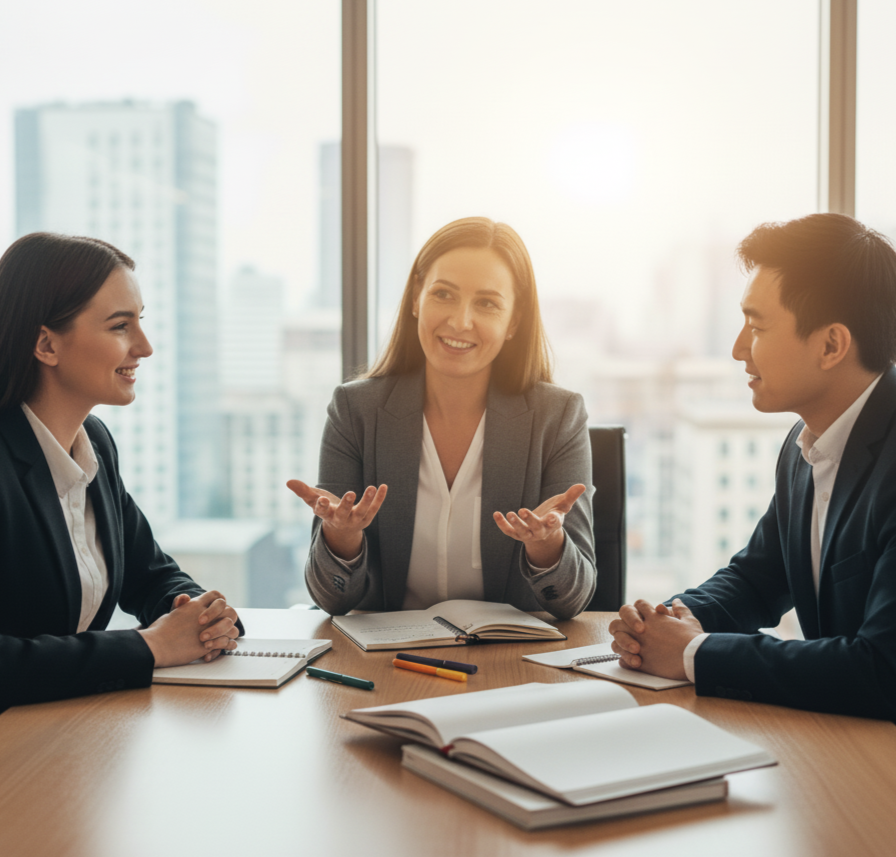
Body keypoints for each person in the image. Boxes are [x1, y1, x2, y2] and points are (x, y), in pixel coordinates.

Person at [610, 213, 896, 721]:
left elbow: (882, 669)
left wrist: (692, 654)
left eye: (757, 326)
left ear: (831, 345)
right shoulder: (804, 443)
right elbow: (759, 579)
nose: (740, 348)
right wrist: (668, 621)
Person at [289, 217, 596, 619]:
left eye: (486, 303)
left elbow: (574, 601)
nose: (460, 321)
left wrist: (546, 546)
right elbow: (332, 600)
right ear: (417, 299)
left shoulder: (558, 417)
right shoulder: (355, 411)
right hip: (388, 666)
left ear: (513, 323)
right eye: (444, 294)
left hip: (512, 664)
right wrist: (341, 538)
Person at [0, 233, 242, 712]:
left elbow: (149, 574)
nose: (145, 347)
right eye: (119, 327)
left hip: (65, 733)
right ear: (44, 343)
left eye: (140, 323)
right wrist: (151, 647)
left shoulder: (95, 443)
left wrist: (197, 613)